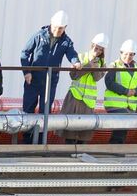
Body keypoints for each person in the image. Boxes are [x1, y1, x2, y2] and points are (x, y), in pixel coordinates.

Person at [19, 10, 77, 143]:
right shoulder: (39, 36)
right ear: (51, 24)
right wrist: (27, 72)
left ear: (65, 28)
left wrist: (76, 62)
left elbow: (72, 53)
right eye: (55, 27)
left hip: (50, 81)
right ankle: (26, 141)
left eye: (60, 28)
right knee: (28, 110)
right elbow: (25, 53)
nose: (57, 31)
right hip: (33, 80)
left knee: (45, 112)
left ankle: (39, 141)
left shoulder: (66, 42)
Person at [62, 32, 107, 144]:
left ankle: (80, 155)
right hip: (75, 96)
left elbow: (96, 78)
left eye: (100, 49)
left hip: (88, 100)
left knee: (84, 132)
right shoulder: (80, 57)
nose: (97, 51)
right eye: (96, 47)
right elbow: (73, 75)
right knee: (70, 129)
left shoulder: (102, 64)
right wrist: (88, 65)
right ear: (92, 45)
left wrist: (95, 66)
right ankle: (67, 154)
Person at [102, 39, 137, 143]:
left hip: (130, 106)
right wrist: (125, 91)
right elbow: (109, 82)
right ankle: (114, 149)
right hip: (115, 104)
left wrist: (135, 92)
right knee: (122, 126)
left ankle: (114, 149)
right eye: (126, 54)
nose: (128, 57)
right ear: (121, 53)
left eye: (131, 55)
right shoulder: (114, 65)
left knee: (123, 129)